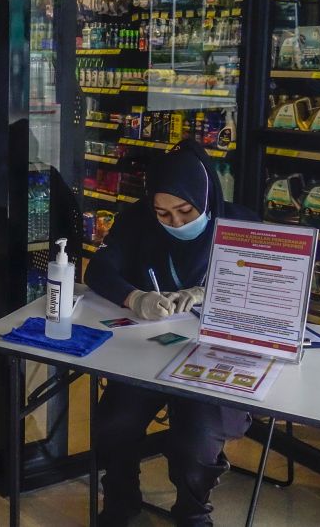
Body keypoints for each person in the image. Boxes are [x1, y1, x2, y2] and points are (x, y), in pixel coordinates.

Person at [84, 139, 255, 526]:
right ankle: (121, 497)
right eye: (163, 213)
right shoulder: (137, 221)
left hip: (214, 363)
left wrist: (213, 293)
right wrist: (135, 298)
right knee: (114, 420)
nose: (175, 222)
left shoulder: (243, 226)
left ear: (207, 197)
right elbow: (98, 270)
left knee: (196, 439)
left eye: (185, 210)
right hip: (150, 355)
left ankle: (193, 511)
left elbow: (269, 293)